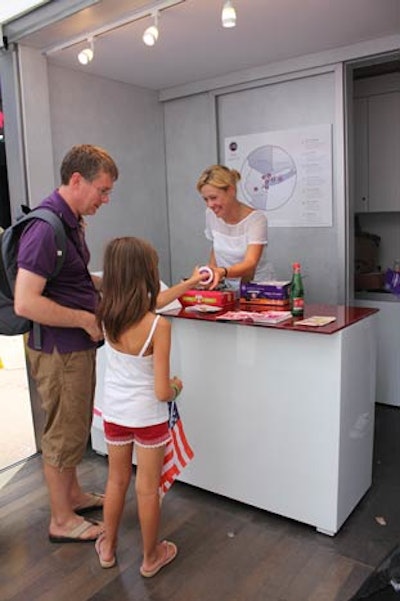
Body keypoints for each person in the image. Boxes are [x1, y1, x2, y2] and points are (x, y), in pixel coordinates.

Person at [15, 144, 202, 544]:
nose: (106, 199)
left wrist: (117, 288)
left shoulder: (71, 224)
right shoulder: (45, 229)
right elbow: (26, 301)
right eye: (102, 190)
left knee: (75, 425)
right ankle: (61, 519)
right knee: (63, 434)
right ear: (77, 180)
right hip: (59, 350)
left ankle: (74, 496)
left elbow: (77, 280)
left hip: (75, 351)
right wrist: (85, 318)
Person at [94, 236, 180, 577]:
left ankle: (108, 549)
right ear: (147, 275)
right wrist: (176, 387)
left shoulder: (105, 316)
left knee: (115, 482)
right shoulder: (159, 326)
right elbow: (161, 391)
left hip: (115, 413)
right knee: (147, 488)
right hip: (149, 418)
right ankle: (149, 557)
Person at [196, 164, 275, 290]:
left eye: (213, 198)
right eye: (205, 199)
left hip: (258, 289)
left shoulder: (256, 220)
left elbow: (250, 263)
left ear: (231, 191)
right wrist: (210, 275)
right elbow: (215, 250)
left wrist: (222, 272)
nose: (210, 204)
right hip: (228, 288)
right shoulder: (210, 214)